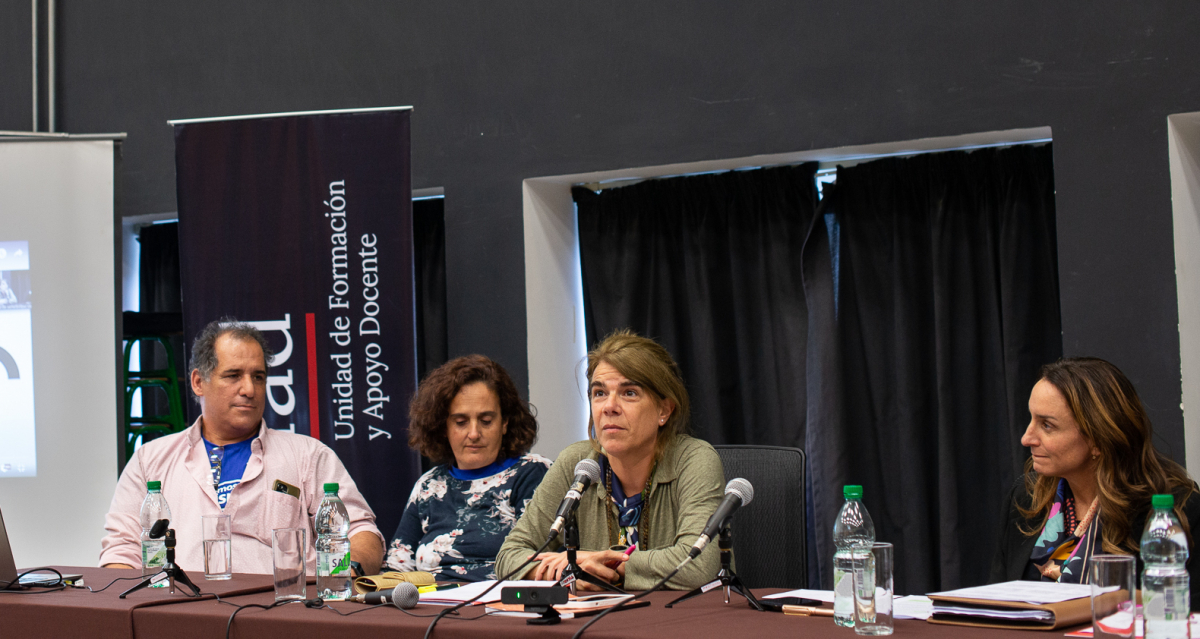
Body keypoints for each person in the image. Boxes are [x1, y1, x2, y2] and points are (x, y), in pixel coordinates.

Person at [100, 319, 385, 575]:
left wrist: (351, 571)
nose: (249, 389)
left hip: (284, 616)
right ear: (199, 382)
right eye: (234, 375)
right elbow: (120, 550)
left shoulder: (308, 455)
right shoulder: (150, 460)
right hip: (179, 615)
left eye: (258, 377)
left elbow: (361, 531)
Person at [496, 330, 725, 590]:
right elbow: (509, 556)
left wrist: (590, 563)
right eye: (599, 393)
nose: (609, 407)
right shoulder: (576, 462)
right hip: (596, 621)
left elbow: (699, 564)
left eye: (629, 393)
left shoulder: (694, 461)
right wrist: (567, 571)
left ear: (664, 410)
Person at [990, 357, 1200, 607]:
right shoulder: (1026, 496)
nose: (1026, 438)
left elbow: (1183, 613)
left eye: (1047, 425)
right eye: (1032, 419)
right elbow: (996, 604)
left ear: (1099, 438)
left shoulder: (1174, 511)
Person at [384, 355, 551, 581]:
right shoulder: (429, 485)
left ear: (505, 423)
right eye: (461, 422)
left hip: (498, 607)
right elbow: (396, 567)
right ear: (443, 426)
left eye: (486, 420)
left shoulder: (533, 473)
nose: (473, 433)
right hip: (428, 608)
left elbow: (542, 560)